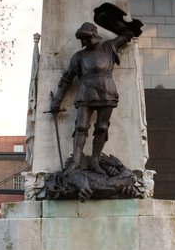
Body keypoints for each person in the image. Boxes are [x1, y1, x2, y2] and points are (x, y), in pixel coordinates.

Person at [49, 20, 136, 173]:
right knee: (81, 127)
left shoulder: (109, 47)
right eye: (81, 39)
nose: (83, 42)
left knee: (102, 128)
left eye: (85, 37)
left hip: (107, 92)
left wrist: (108, 20)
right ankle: (76, 161)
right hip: (86, 92)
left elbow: (129, 33)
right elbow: (67, 78)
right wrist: (57, 99)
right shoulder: (79, 56)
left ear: (94, 35)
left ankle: (95, 160)